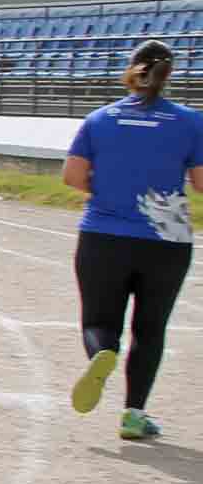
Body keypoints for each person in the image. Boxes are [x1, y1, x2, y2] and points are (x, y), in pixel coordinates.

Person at [64, 39, 202, 441]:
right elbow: (201, 182)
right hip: (168, 240)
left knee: (99, 321)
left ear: (131, 69)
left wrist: (108, 190)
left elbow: (72, 176)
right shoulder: (191, 121)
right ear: (169, 74)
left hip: (103, 236)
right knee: (151, 328)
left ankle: (102, 354)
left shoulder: (99, 119)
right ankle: (134, 414)